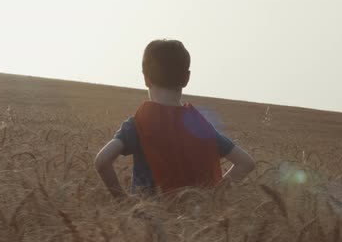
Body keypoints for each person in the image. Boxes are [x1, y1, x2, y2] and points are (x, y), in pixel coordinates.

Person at [94, 39, 255, 199]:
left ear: (146, 79)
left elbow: (102, 161)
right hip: (194, 219)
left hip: (146, 220)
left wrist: (122, 200)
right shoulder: (199, 127)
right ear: (186, 79)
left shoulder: (138, 124)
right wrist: (213, 197)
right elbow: (246, 163)